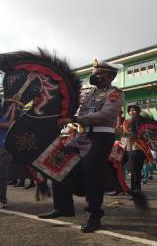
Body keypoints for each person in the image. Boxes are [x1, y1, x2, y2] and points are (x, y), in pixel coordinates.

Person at [38, 59, 124, 233]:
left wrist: (76, 119)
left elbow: (106, 114)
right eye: (94, 73)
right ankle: (62, 207)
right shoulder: (88, 92)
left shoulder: (115, 94)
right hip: (81, 134)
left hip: (100, 136)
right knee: (57, 162)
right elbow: (73, 108)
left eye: (99, 74)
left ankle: (94, 215)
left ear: (110, 76)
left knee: (92, 174)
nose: (95, 76)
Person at [123, 104, 148, 192]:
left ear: (138, 111)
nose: (131, 112)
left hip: (139, 148)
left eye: (134, 110)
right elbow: (125, 134)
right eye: (130, 110)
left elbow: (145, 134)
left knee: (137, 170)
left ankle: (137, 189)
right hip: (129, 148)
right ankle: (134, 189)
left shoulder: (143, 121)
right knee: (132, 170)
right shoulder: (126, 122)